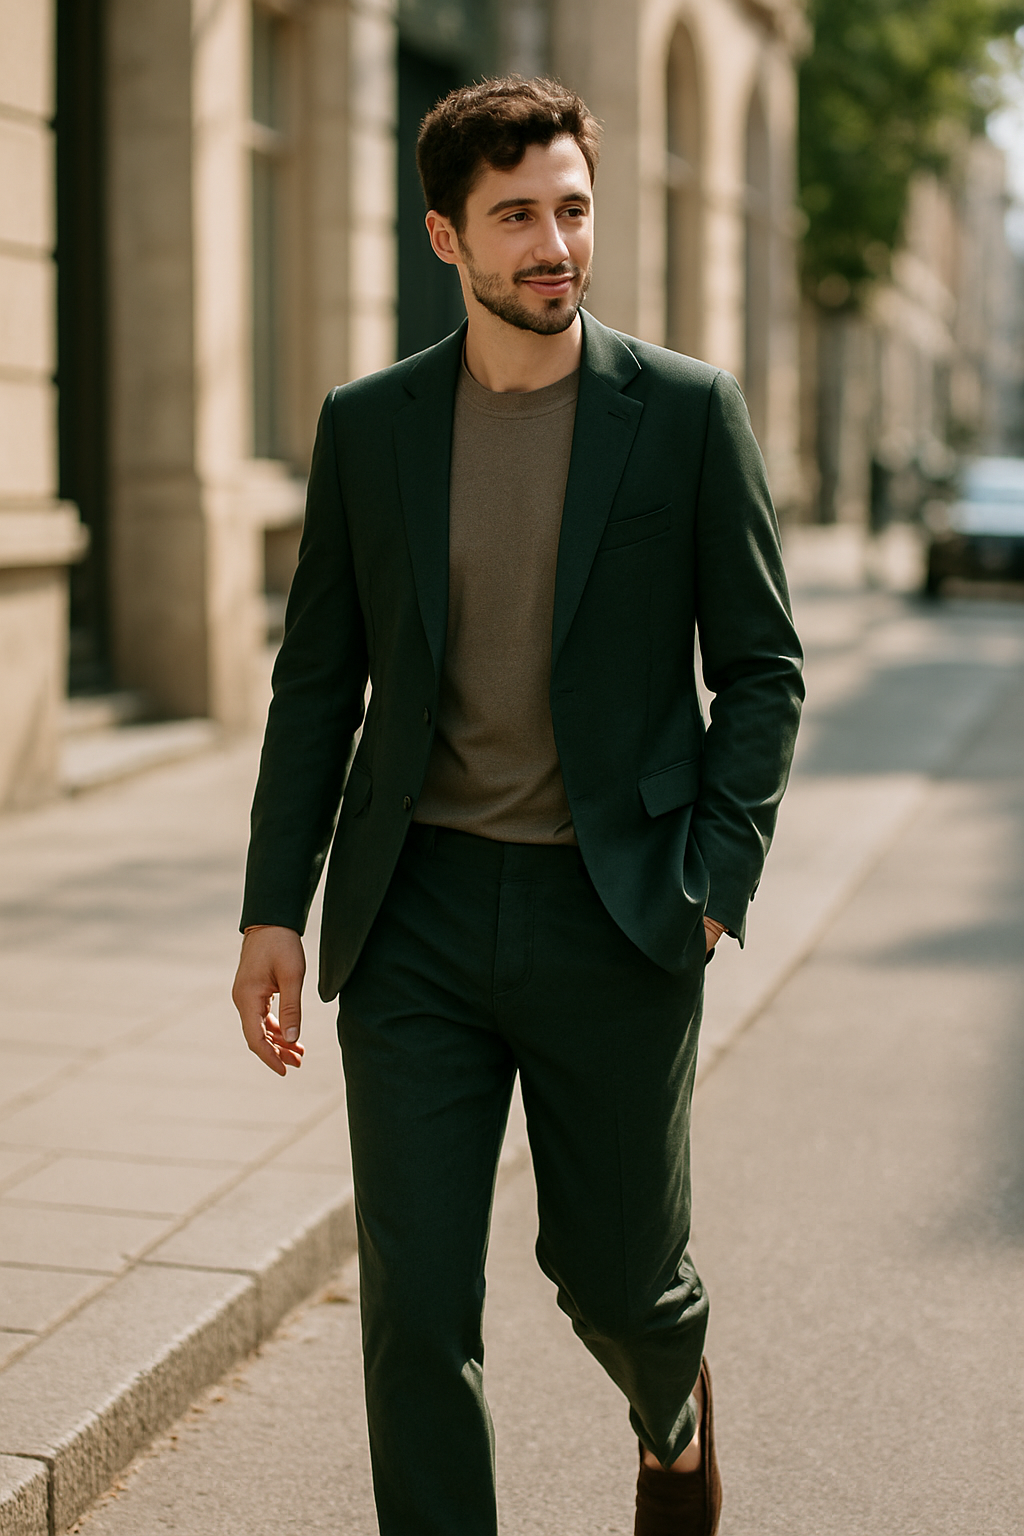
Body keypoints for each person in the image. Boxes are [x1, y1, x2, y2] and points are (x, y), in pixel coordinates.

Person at [232, 75, 803, 1536]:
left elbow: (762, 667)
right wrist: (270, 913)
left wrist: (712, 879)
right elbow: (317, 687)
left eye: (571, 209)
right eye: (517, 218)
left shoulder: (682, 413)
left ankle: (672, 1419)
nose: (555, 244)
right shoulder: (372, 428)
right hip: (413, 917)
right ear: (446, 237)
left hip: (616, 912)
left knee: (619, 1279)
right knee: (415, 1313)